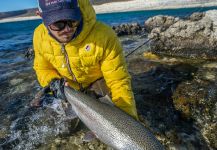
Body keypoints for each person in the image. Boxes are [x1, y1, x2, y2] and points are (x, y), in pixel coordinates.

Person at [33, 0, 138, 120]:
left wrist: (130, 121)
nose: (67, 29)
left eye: (72, 20)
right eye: (58, 24)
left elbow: (118, 82)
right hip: (68, 89)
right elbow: (43, 68)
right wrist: (54, 82)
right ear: (41, 16)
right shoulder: (39, 36)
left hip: (98, 84)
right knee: (62, 127)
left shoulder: (104, 35)